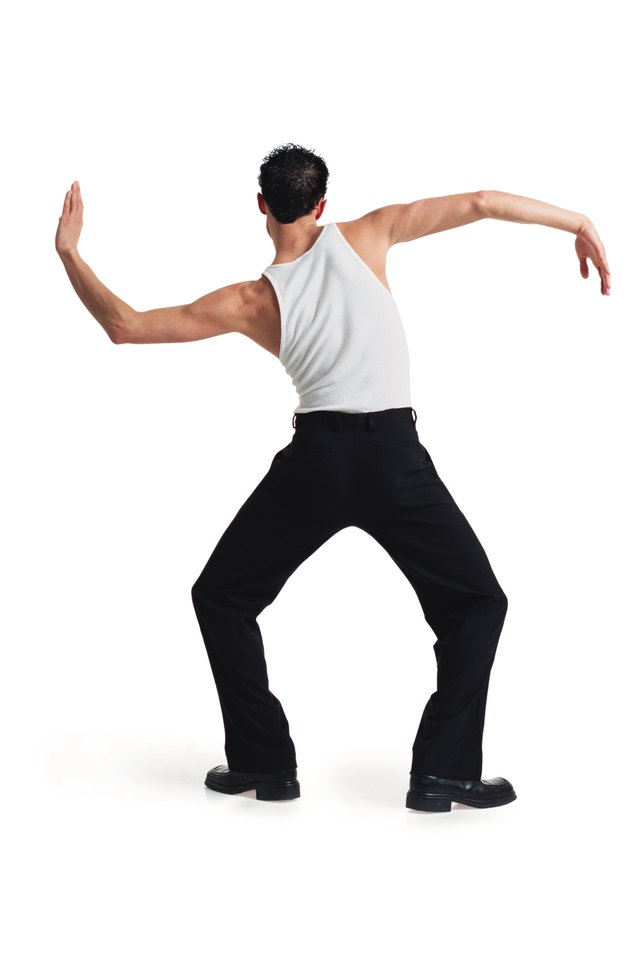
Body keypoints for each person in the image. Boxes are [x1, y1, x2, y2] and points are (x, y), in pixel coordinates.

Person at [55, 143, 611, 812]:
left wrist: (70, 254)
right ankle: (443, 774)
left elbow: (125, 326)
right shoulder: (368, 234)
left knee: (222, 597)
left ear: (262, 204)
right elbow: (482, 203)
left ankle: (265, 764)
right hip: (395, 459)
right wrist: (576, 220)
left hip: (316, 463)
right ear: (323, 205)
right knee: (477, 604)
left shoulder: (248, 300)